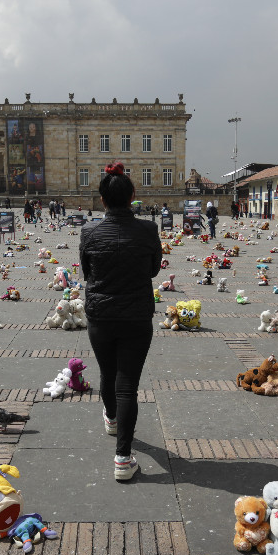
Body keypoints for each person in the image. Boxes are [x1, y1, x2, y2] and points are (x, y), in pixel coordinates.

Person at [80, 162, 161, 481]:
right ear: (132, 198)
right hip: (136, 316)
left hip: (100, 315)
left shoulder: (89, 231)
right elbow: (154, 270)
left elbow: (87, 272)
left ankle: (112, 419)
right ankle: (123, 459)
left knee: (107, 372)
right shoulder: (148, 230)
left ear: (102, 200)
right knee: (127, 384)